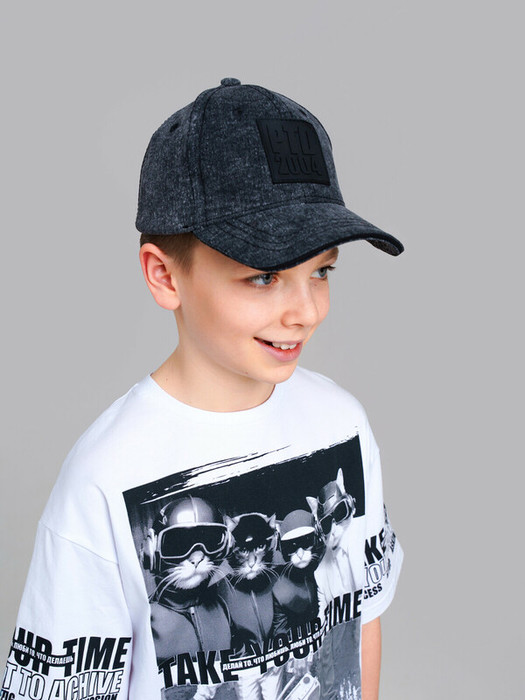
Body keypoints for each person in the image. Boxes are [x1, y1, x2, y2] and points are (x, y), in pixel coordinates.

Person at [2, 78, 404, 700]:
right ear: (165, 277)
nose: (307, 310)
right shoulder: (104, 477)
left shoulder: (342, 424)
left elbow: (361, 620)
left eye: (322, 270)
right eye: (265, 277)